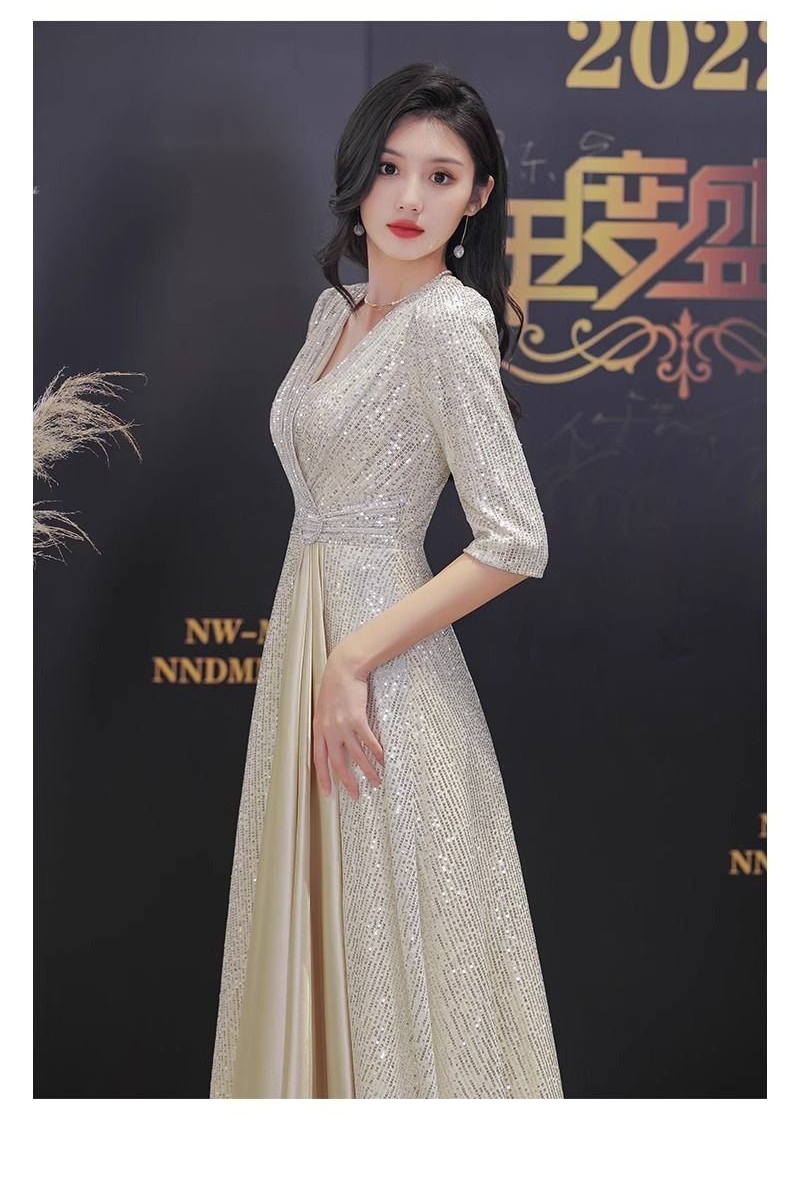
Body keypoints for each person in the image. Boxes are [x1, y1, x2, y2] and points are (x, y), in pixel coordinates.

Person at [210, 61, 564, 1099]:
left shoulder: (450, 322)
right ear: (358, 176)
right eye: (391, 169)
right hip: (308, 643)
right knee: (317, 924)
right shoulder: (335, 314)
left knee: (392, 932)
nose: (409, 199)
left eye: (442, 177)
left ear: (478, 195)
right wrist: (324, 658)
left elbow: (515, 537)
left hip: (380, 674)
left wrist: (354, 658)